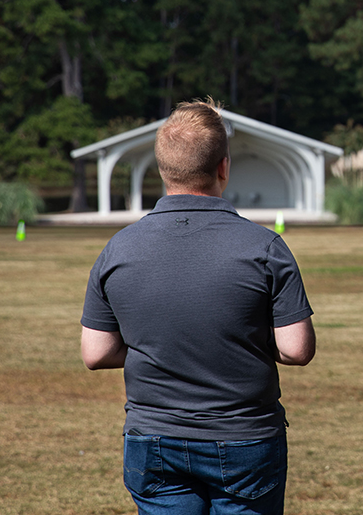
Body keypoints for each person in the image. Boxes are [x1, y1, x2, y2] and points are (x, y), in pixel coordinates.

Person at [80, 98, 315, 515]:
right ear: (223, 166)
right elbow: (296, 349)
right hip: (245, 437)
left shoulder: (117, 250)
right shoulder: (266, 247)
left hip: (153, 438)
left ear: (163, 169)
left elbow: (96, 353)